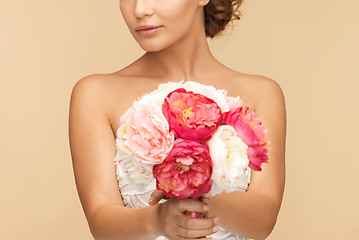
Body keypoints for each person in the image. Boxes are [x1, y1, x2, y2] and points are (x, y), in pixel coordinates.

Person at [68, 0, 286, 239]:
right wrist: (158, 220)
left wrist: (203, 197)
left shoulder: (261, 94)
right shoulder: (95, 94)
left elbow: (263, 221)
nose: (140, 10)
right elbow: (101, 222)